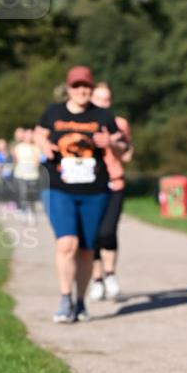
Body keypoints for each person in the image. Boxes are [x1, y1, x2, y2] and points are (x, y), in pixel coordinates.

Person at [35, 66, 124, 324]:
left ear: (92, 88)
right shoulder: (54, 112)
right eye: (77, 86)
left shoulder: (103, 115)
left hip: (94, 190)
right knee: (67, 243)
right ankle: (65, 298)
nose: (82, 90)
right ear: (68, 88)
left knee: (86, 250)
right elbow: (39, 133)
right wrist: (44, 145)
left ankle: (81, 301)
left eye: (86, 86)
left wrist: (111, 144)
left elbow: (123, 147)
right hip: (58, 187)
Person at [87, 82, 133, 302]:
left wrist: (111, 144)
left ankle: (110, 274)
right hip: (89, 184)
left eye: (107, 99)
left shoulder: (119, 124)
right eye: (99, 99)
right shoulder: (83, 122)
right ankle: (96, 279)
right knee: (93, 234)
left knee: (108, 231)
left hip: (114, 182)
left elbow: (127, 155)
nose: (103, 104)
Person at [12, 127, 42, 220]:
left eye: (31, 134)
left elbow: (37, 161)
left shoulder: (36, 147)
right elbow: (16, 161)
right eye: (28, 134)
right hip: (21, 174)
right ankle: (24, 210)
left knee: (32, 194)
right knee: (23, 193)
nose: (29, 136)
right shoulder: (18, 147)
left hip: (33, 174)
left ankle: (31, 209)